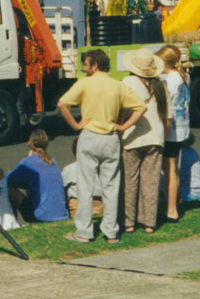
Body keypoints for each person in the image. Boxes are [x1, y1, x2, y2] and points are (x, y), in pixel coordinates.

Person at [58, 49, 146, 244]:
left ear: (94, 65)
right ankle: (111, 232)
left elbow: (62, 104)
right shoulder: (118, 85)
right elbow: (141, 107)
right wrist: (123, 126)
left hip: (89, 136)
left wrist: (75, 125)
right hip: (111, 136)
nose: (83, 67)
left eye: (86, 64)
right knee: (111, 186)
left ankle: (84, 231)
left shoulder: (85, 83)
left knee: (85, 185)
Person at [120, 48, 168, 233]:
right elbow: (167, 116)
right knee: (151, 182)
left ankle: (129, 222)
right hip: (155, 137)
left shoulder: (128, 82)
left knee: (129, 182)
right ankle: (149, 222)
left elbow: (121, 108)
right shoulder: (160, 85)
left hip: (131, 137)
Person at [6, 129, 68, 223]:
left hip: (41, 218)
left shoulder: (27, 162)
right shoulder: (53, 161)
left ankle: (12, 225)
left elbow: (7, 180)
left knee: (10, 190)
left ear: (29, 143)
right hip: (62, 215)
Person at [157, 45, 189, 222]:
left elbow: (167, 104)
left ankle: (171, 209)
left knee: (169, 170)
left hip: (172, 131)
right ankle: (172, 204)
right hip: (181, 129)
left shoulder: (171, 79)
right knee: (172, 170)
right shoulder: (182, 76)